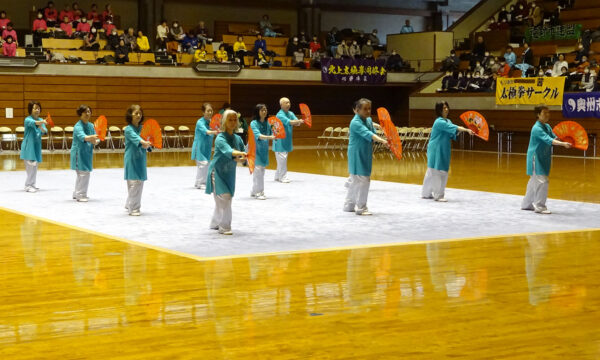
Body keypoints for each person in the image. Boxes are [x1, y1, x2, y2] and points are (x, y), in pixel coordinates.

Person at [521, 105, 571, 214]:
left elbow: (554, 137)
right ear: (538, 115)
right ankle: (540, 206)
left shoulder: (547, 126)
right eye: (544, 113)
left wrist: (565, 139)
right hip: (535, 157)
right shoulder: (536, 128)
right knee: (542, 181)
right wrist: (563, 144)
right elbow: (549, 140)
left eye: (548, 112)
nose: (547, 115)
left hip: (543, 157)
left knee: (533, 181)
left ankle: (526, 204)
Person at [343, 98, 388, 215]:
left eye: (369, 108)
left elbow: (373, 132)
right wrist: (383, 141)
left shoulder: (368, 119)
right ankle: (361, 207)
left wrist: (382, 138)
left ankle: (349, 205)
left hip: (365, 152)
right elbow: (369, 134)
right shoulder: (355, 122)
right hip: (356, 152)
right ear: (357, 110)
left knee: (354, 180)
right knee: (363, 180)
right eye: (365, 109)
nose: (368, 111)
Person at [205, 109, 247, 235]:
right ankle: (225, 226)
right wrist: (241, 154)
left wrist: (244, 158)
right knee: (225, 197)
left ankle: (215, 223)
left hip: (229, 173)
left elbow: (238, 157)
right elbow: (230, 151)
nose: (233, 122)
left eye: (235, 120)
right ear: (224, 121)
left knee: (224, 199)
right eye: (230, 119)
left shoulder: (238, 139)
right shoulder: (220, 138)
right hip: (217, 172)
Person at [421, 102, 474, 201]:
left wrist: (462, 130)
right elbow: (454, 128)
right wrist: (466, 130)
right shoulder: (439, 122)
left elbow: (453, 131)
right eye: (444, 108)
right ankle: (438, 195)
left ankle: (426, 193)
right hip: (436, 149)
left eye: (447, 107)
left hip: (443, 148)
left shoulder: (448, 121)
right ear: (439, 110)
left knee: (431, 171)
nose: (446, 109)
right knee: (437, 171)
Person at [124, 104, 152, 216]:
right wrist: (144, 143)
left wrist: (150, 144)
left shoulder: (143, 128)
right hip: (131, 158)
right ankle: (134, 208)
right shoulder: (128, 129)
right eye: (136, 113)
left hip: (141, 158)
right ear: (130, 115)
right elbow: (137, 139)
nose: (138, 115)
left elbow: (148, 141)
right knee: (134, 182)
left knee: (139, 181)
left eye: (140, 113)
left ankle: (129, 203)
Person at [70, 105, 100, 202]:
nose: (87, 114)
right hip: (79, 153)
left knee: (82, 173)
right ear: (80, 114)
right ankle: (81, 194)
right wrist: (93, 137)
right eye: (85, 112)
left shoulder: (91, 125)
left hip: (87, 153)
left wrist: (96, 141)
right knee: (83, 173)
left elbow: (93, 140)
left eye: (89, 111)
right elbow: (85, 137)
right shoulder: (78, 126)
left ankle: (76, 192)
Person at [272, 97, 303, 183]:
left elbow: (296, 122)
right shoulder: (279, 115)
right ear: (281, 105)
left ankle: (277, 176)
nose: (288, 104)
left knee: (281, 159)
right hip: (279, 141)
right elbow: (290, 122)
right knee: (282, 159)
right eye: (286, 103)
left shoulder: (291, 113)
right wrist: (298, 121)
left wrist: (300, 121)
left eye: (289, 102)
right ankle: (283, 177)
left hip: (287, 140)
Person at [249, 104, 276, 199]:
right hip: (255, 149)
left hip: (263, 150)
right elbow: (258, 135)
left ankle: (254, 190)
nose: (264, 111)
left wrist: (276, 135)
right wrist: (270, 137)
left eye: (265, 109)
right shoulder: (253, 123)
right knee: (258, 170)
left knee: (261, 171)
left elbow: (270, 133)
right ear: (257, 112)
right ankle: (259, 192)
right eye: (262, 110)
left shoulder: (267, 123)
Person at [20, 101, 48, 193]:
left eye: (38, 108)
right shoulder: (27, 119)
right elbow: (35, 122)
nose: (37, 110)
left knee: (35, 166)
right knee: (30, 166)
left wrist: (42, 127)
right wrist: (42, 122)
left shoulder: (40, 120)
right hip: (29, 146)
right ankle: (27, 185)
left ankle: (32, 184)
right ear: (30, 110)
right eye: (35, 108)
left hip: (36, 146)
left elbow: (45, 130)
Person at [192, 103, 219, 189]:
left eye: (211, 110)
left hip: (207, 148)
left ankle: (198, 182)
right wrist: (215, 131)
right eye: (208, 111)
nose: (210, 112)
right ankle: (201, 183)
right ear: (203, 112)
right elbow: (206, 131)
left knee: (206, 165)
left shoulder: (212, 122)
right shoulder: (200, 122)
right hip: (199, 147)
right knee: (203, 164)